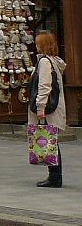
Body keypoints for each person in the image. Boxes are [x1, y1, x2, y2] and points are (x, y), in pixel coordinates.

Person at [30, 31, 67, 189]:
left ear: (43, 44)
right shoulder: (53, 61)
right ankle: (55, 175)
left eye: (38, 42)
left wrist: (40, 107)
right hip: (54, 107)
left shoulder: (45, 62)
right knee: (52, 140)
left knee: (50, 141)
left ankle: (54, 177)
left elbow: (44, 85)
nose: (36, 45)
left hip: (48, 109)